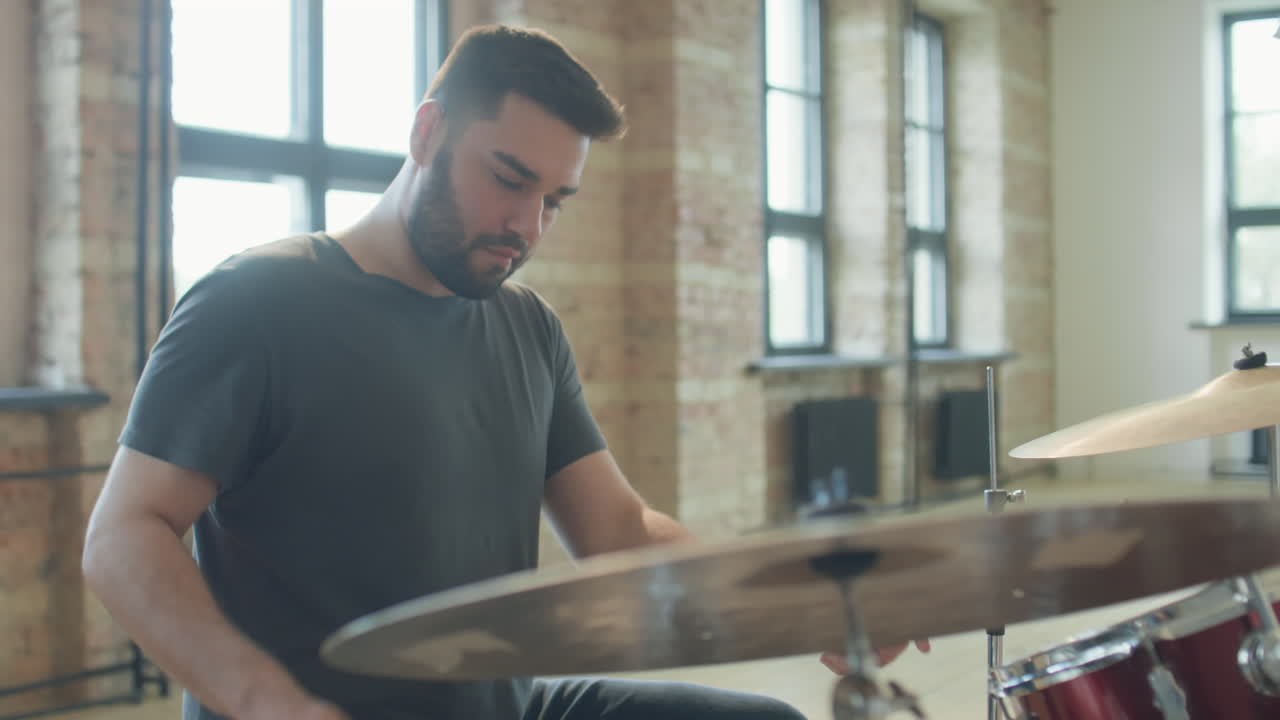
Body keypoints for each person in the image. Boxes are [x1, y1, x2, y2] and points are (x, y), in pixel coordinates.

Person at [82, 24, 852, 720]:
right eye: (509, 180)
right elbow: (122, 535)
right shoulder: (254, 303)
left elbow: (617, 531)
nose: (527, 225)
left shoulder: (529, 327)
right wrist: (269, 703)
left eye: (555, 201)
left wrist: (803, 605)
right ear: (428, 133)